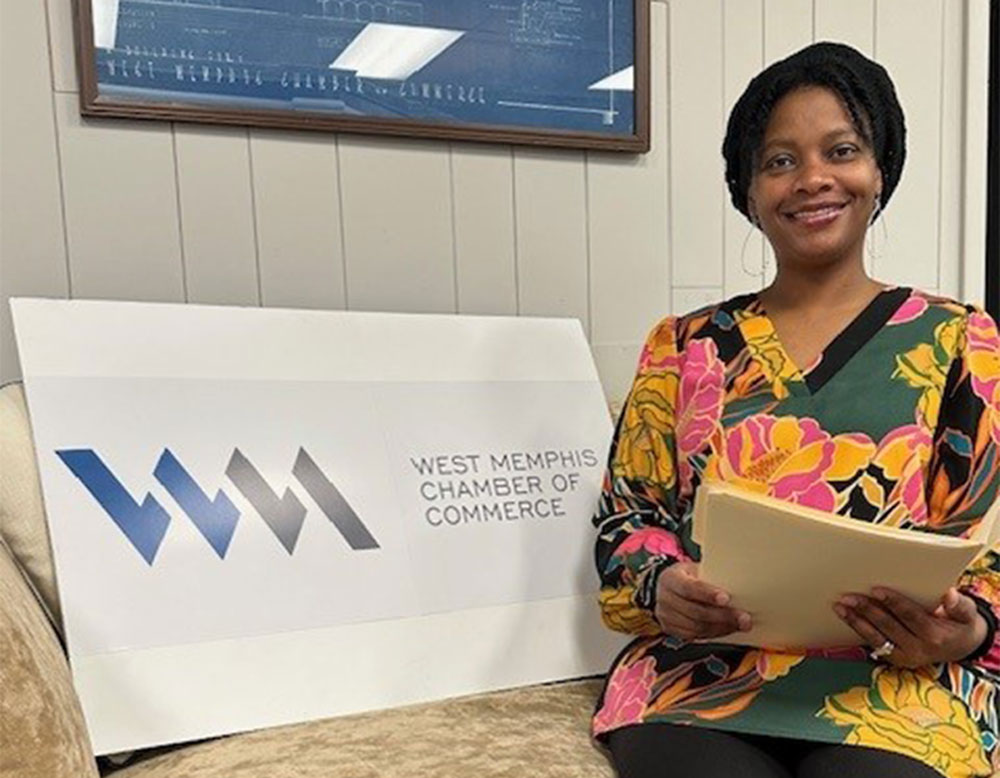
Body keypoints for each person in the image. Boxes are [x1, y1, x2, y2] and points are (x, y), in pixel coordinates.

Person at [591, 42, 1000, 778]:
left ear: (881, 172)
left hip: (900, 686)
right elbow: (628, 519)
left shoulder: (960, 341)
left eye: (840, 150)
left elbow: (984, 540)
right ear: (748, 191)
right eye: (779, 161)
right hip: (704, 680)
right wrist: (662, 588)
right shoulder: (683, 347)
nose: (812, 178)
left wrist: (965, 631)